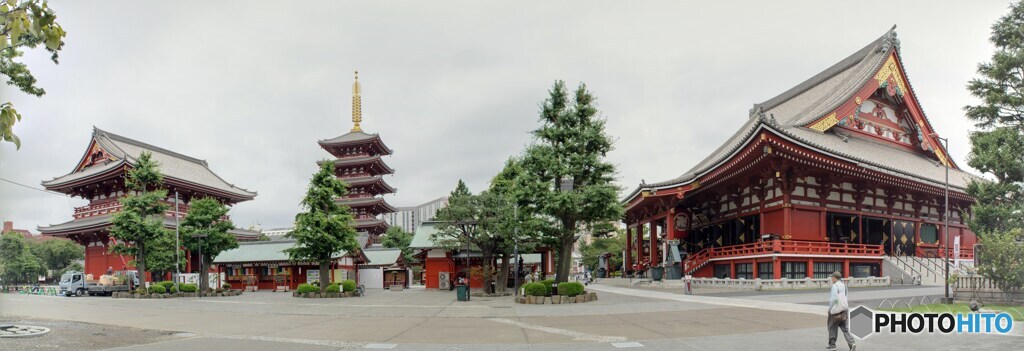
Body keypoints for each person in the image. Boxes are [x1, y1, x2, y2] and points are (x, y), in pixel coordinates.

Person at [827, 271, 856, 351]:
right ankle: (852, 343)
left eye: (832, 277)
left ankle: (832, 346)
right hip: (844, 310)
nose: (831, 279)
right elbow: (845, 297)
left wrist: (829, 309)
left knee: (832, 327)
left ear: (834, 278)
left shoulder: (835, 286)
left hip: (836, 310)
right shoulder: (844, 285)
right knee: (845, 328)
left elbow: (833, 299)